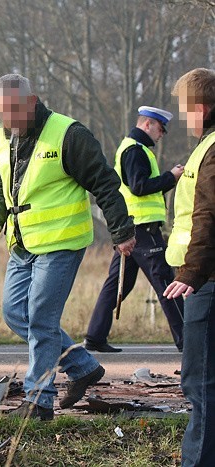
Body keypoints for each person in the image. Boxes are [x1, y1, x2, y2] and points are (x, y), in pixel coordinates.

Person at [0, 73, 136, 420]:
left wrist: (122, 229)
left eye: (14, 111)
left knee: (41, 317)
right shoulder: (0, 138)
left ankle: (39, 400)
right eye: (1, 113)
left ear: (32, 102)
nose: (8, 119)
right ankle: (82, 366)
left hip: (62, 242)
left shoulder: (69, 134)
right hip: (22, 242)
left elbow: (105, 183)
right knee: (15, 312)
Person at [84, 106, 185, 353]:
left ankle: (95, 336)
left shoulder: (133, 149)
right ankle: (188, 340)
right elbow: (140, 187)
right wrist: (171, 177)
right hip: (142, 231)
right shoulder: (134, 151)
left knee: (117, 284)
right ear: (148, 124)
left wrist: (168, 180)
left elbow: (138, 190)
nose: (161, 135)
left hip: (131, 229)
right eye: (160, 129)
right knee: (166, 283)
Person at [163, 67, 215, 467]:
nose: (184, 118)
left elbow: (208, 215)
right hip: (204, 277)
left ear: (202, 107)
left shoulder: (212, 148)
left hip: (207, 282)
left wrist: (191, 274)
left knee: (199, 383)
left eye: (186, 109)